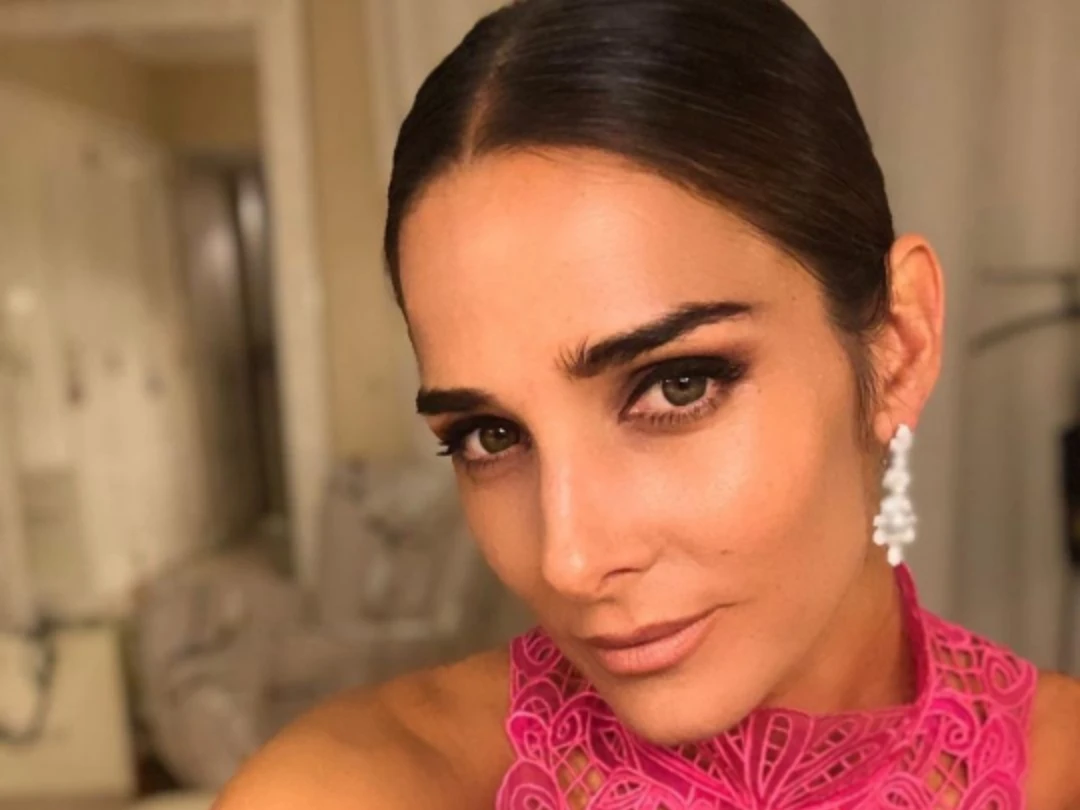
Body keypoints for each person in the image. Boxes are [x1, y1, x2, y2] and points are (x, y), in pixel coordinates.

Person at [215, 0, 1080, 807]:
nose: (570, 560)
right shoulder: (351, 786)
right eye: (490, 436)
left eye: (677, 386)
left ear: (900, 346)